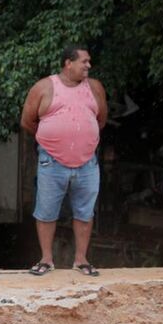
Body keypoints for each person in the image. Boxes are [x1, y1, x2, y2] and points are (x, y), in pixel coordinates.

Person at [20, 45, 108, 276]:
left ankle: (81, 260)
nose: (88, 65)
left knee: (85, 212)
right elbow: (28, 121)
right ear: (68, 63)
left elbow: (101, 118)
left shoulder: (95, 87)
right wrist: (53, 139)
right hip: (52, 161)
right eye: (84, 61)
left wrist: (81, 138)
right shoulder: (45, 87)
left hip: (87, 161)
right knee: (47, 210)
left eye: (89, 61)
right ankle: (46, 259)